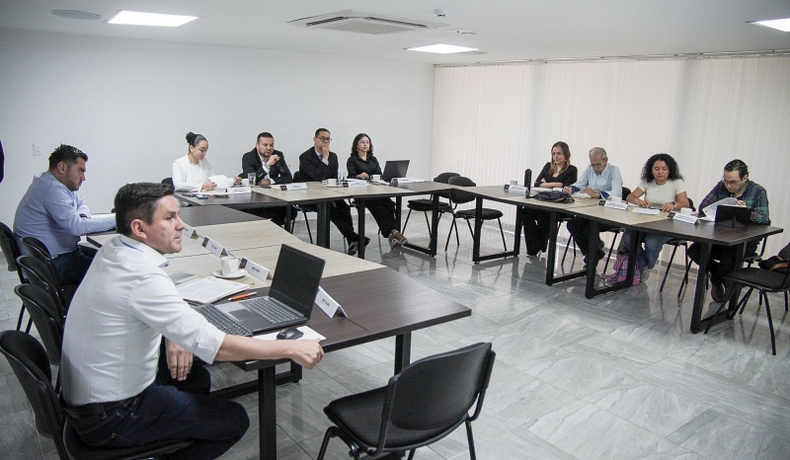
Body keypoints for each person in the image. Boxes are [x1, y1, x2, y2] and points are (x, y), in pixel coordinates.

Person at [61, 182, 323, 460]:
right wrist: (291, 349)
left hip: (89, 400)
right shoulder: (142, 277)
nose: (181, 225)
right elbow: (214, 346)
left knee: (194, 378)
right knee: (233, 420)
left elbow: (152, 302)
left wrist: (174, 334)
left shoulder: (116, 249)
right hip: (110, 417)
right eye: (170, 218)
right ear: (139, 228)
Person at [13, 144, 115, 284]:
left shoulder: (52, 183)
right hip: (50, 265)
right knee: (111, 270)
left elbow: (81, 203)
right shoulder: (52, 189)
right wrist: (121, 217)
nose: (83, 177)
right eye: (80, 171)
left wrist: (82, 217)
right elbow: (77, 228)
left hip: (52, 257)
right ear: (62, 167)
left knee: (108, 259)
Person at [688, 159, 770, 302]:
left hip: (744, 241)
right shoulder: (721, 187)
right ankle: (718, 276)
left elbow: (764, 218)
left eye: (733, 182)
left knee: (728, 259)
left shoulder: (757, 191)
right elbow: (703, 206)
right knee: (695, 251)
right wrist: (722, 205)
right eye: (726, 181)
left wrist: (746, 211)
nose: (728, 185)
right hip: (719, 236)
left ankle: (719, 280)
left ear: (745, 178)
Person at [619, 154, 689, 280]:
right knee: (628, 238)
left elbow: (685, 203)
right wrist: (639, 201)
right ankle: (642, 264)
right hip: (645, 221)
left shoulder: (676, 182)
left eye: (664, 169)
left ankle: (646, 266)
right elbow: (630, 197)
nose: (660, 172)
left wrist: (673, 204)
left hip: (667, 224)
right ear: (651, 170)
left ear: (669, 170)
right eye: (656, 169)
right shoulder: (648, 182)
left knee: (651, 242)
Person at [299, 128, 366, 255]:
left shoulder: (333, 156)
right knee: (331, 210)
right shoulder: (305, 157)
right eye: (322, 138)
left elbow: (333, 179)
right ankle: (354, 238)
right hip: (311, 196)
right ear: (315, 140)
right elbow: (317, 178)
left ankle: (353, 240)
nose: (326, 141)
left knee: (344, 207)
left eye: (328, 139)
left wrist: (333, 196)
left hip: (330, 194)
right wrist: (324, 158)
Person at [563, 147, 623, 266]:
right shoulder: (590, 169)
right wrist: (571, 189)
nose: (595, 168)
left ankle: (593, 254)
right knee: (572, 224)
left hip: (610, 213)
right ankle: (595, 252)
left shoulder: (614, 171)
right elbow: (580, 184)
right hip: (592, 210)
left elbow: (617, 192)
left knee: (589, 228)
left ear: (606, 160)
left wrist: (598, 194)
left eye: (598, 165)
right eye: (593, 165)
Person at [347, 133, 408, 248]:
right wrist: (358, 176)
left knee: (389, 204)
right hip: (361, 193)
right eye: (362, 142)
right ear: (356, 145)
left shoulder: (373, 159)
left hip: (376, 189)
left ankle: (391, 235)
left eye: (367, 142)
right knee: (377, 206)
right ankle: (394, 232)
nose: (365, 144)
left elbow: (379, 174)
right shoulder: (352, 160)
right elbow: (350, 177)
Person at [521, 141, 578, 256]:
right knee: (525, 211)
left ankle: (537, 247)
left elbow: (565, 188)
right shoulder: (548, 166)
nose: (555, 156)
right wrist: (556, 184)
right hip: (543, 201)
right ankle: (536, 245)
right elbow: (537, 183)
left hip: (559, 206)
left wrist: (547, 183)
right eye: (553, 154)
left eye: (559, 153)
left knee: (545, 214)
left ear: (566, 154)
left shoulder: (571, 170)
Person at [240, 132, 293, 227]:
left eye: (271, 145)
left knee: (291, 211)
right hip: (255, 199)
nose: (269, 148)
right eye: (265, 145)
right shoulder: (248, 157)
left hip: (274, 197)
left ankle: (271, 228)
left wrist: (270, 181)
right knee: (248, 212)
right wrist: (267, 165)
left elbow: (288, 178)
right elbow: (252, 180)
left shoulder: (278, 155)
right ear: (257, 145)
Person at [172, 132, 240, 192]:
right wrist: (202, 186)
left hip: (203, 200)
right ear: (191, 148)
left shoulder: (204, 162)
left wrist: (232, 181)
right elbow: (179, 185)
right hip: (186, 204)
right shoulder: (179, 164)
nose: (204, 153)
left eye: (206, 150)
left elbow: (214, 180)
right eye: (202, 150)